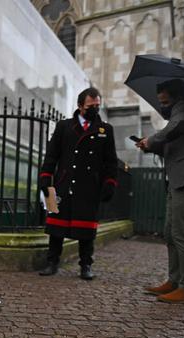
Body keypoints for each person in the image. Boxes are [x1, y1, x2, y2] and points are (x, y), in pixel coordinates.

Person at [136, 79, 184, 304]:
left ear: (177, 97)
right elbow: (178, 143)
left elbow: (175, 127)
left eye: (165, 101)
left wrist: (152, 140)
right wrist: (153, 146)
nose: (164, 106)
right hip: (180, 181)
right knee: (171, 232)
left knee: (182, 234)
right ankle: (175, 281)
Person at [37, 87, 118, 280]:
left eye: (98, 106)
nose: (95, 109)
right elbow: (52, 155)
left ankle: (86, 266)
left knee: (87, 229)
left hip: (89, 186)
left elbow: (110, 161)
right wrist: (45, 176)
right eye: (91, 106)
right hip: (61, 183)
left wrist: (110, 182)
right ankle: (52, 263)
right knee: (55, 227)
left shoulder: (105, 129)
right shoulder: (64, 126)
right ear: (80, 106)